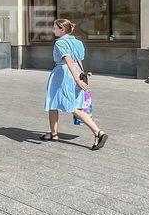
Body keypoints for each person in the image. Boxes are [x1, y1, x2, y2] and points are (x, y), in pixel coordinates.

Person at [43, 18, 108, 150]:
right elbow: (78, 61)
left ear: (62, 29)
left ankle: (98, 132)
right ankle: (53, 134)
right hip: (76, 73)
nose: (53, 30)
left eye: (55, 28)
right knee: (56, 103)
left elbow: (68, 60)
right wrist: (81, 75)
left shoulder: (60, 43)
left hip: (63, 74)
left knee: (68, 105)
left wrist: (77, 80)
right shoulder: (78, 42)